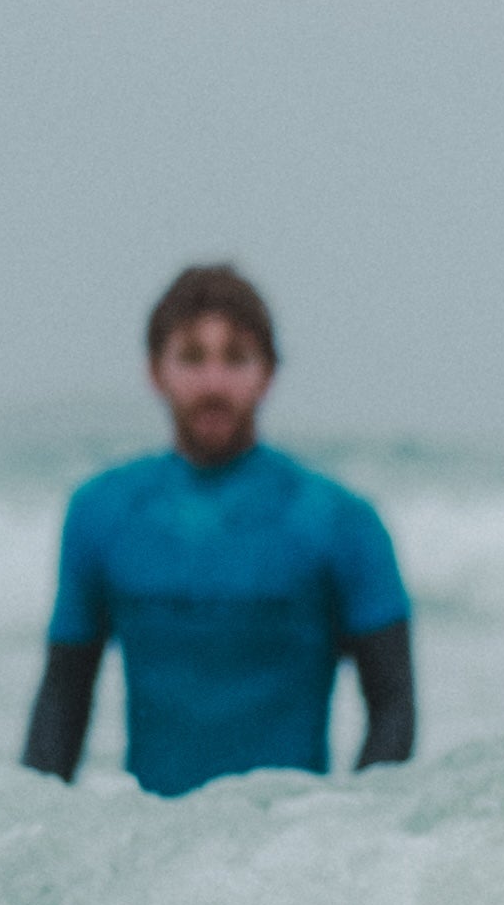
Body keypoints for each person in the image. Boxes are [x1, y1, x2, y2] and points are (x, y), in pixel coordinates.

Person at [21, 265, 414, 796]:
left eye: (236, 358)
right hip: (152, 845)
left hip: (289, 849)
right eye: (191, 357)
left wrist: (345, 841)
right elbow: (61, 706)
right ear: (155, 372)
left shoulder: (341, 522)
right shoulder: (101, 512)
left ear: (268, 373)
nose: (213, 383)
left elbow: (394, 712)